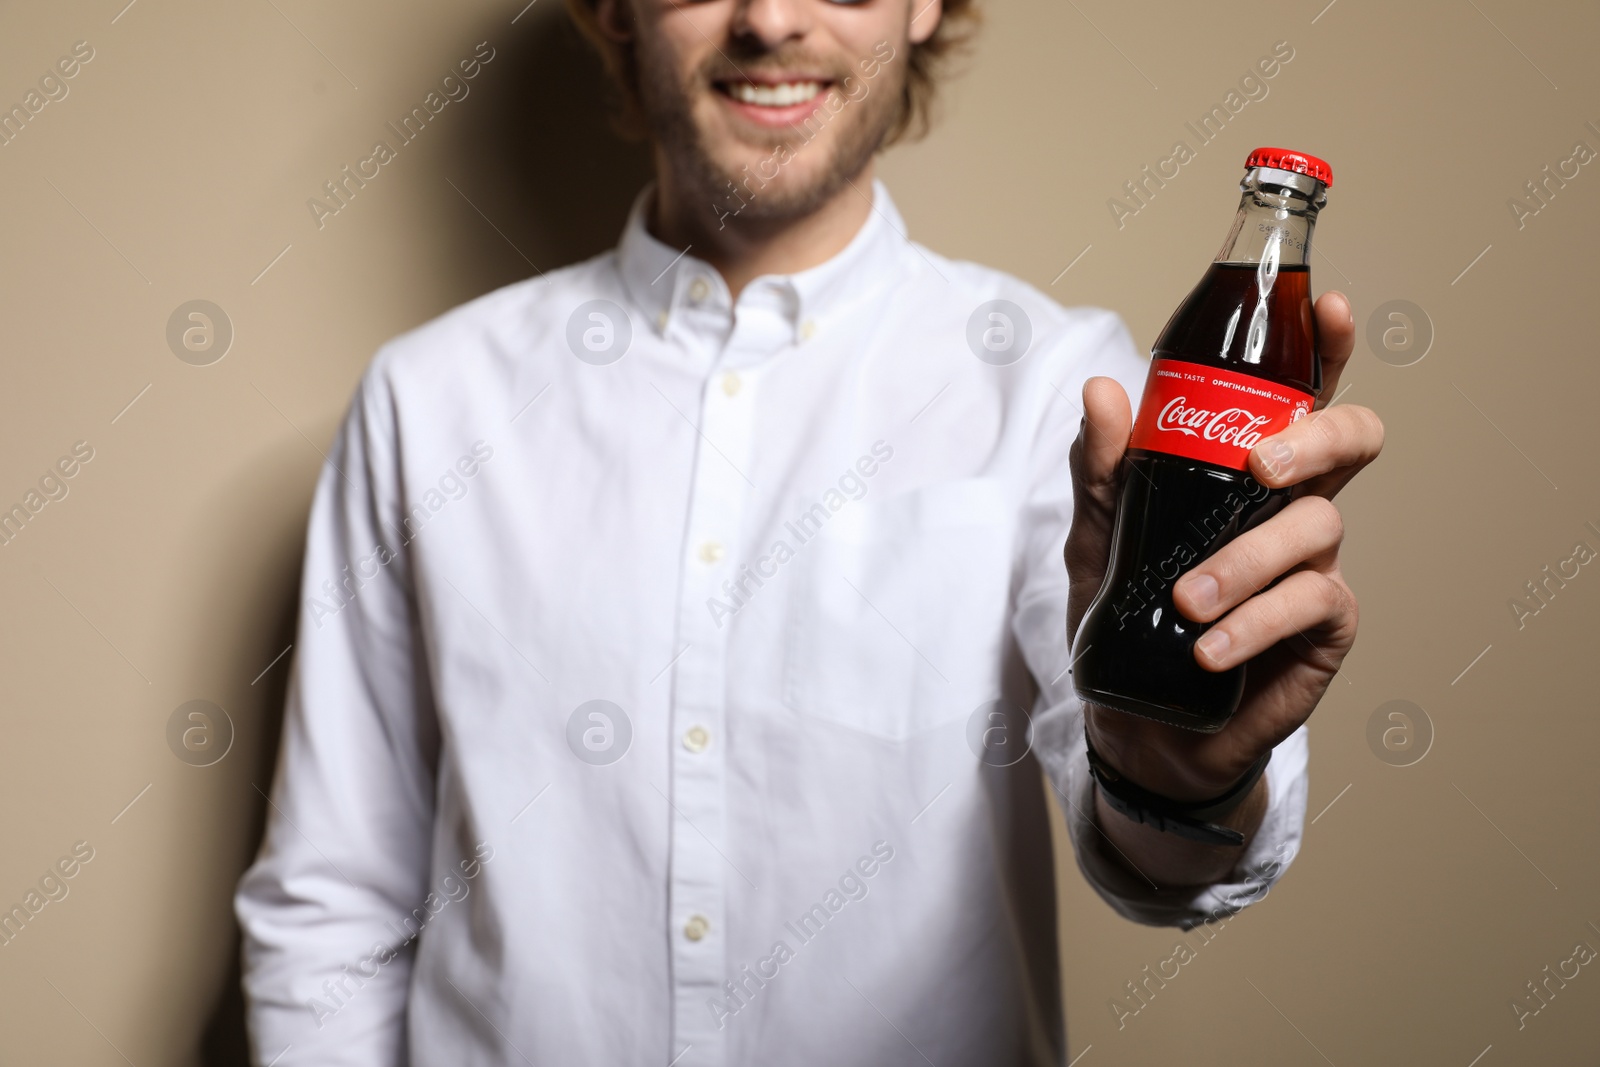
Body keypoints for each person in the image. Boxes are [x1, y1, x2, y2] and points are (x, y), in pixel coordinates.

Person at [234, 0, 1384, 1063]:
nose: (769, 18)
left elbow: (1165, 853)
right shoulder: (427, 404)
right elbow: (328, 911)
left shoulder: (1053, 387)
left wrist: (1170, 777)